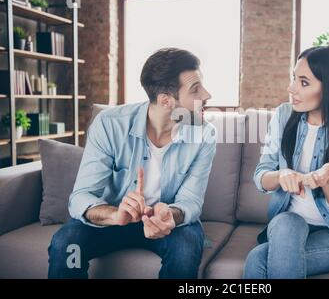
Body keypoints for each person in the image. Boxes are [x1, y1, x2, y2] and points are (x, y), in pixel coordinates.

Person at [48, 48, 216, 279]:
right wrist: (115, 215)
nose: (207, 94)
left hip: (167, 224)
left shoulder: (204, 134)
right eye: (195, 90)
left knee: (186, 249)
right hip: (114, 219)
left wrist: (171, 214)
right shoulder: (110, 124)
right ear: (166, 101)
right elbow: (81, 196)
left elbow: (191, 201)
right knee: (66, 244)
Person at [243, 46, 329, 279]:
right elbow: (261, 175)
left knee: (257, 261)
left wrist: (327, 180)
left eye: (304, 82)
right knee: (286, 221)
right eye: (294, 79)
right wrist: (282, 175)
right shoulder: (283, 115)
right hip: (288, 225)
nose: (292, 89)